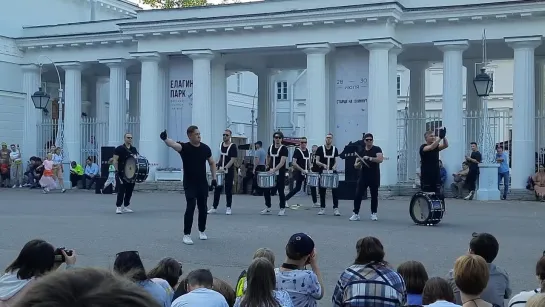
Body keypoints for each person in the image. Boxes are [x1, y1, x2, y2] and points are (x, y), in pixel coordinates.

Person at [161, 126, 216, 245]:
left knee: (203, 208)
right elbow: (173, 144)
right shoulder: (184, 147)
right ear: (189, 136)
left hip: (202, 183)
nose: (199, 136)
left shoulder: (205, 148)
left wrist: (214, 178)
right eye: (196, 134)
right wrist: (165, 139)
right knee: (191, 206)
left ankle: (202, 231)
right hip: (189, 183)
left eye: (199, 134)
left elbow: (212, 162)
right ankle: (186, 235)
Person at [351, 133, 384, 221]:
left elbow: (380, 159)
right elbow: (355, 165)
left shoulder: (377, 149)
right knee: (358, 195)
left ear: (372, 140)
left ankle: (373, 213)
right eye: (367, 140)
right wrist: (359, 163)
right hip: (363, 176)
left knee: (374, 195)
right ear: (364, 141)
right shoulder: (361, 151)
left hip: (374, 175)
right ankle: (355, 213)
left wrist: (369, 158)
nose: (369, 141)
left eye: (370, 140)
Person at [209, 129, 238, 215]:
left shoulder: (233, 146)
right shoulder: (221, 144)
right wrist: (217, 165)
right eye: (224, 135)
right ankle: (214, 207)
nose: (225, 136)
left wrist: (225, 168)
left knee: (228, 189)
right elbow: (220, 156)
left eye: (226, 135)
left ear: (230, 136)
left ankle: (228, 207)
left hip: (228, 170)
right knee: (217, 188)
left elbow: (233, 159)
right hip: (220, 169)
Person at [261, 131, 289, 216]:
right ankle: (268, 207)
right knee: (266, 190)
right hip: (270, 171)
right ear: (274, 138)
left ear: (281, 139)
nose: (277, 139)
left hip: (280, 172)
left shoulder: (284, 148)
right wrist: (267, 164)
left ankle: (282, 208)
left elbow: (282, 162)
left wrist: (275, 169)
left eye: (279, 137)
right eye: (276, 137)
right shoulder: (270, 147)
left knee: (280, 191)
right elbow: (268, 156)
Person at [314, 133, 340, 216]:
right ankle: (322, 208)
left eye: (330, 138)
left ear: (332, 139)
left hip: (332, 172)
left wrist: (335, 166)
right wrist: (323, 165)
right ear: (325, 139)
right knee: (322, 191)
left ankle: (336, 208)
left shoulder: (335, 149)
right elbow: (316, 161)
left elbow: (336, 161)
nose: (328, 139)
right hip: (323, 171)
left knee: (335, 190)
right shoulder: (320, 149)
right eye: (327, 138)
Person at [420, 129, 448, 203]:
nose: (433, 137)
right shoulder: (423, 147)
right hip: (427, 175)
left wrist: (443, 137)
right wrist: (440, 138)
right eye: (431, 136)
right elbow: (431, 147)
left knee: (438, 194)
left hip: (436, 174)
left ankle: (437, 212)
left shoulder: (436, 146)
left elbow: (446, 145)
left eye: (434, 136)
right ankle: (424, 212)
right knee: (426, 194)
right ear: (426, 138)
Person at [113, 133, 138, 214]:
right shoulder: (119, 149)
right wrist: (116, 170)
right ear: (124, 138)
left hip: (131, 173)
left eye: (131, 137)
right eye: (128, 137)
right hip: (122, 173)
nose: (130, 139)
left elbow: (136, 160)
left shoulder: (133, 149)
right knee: (121, 190)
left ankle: (126, 206)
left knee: (129, 190)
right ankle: (118, 207)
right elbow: (115, 160)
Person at [286, 137, 311, 210]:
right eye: (302, 142)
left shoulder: (307, 150)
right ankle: (285, 199)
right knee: (297, 188)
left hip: (306, 171)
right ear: (300, 143)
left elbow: (308, 160)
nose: (303, 144)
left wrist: (310, 168)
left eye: (305, 142)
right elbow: (294, 163)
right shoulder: (297, 151)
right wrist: (302, 170)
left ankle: (315, 202)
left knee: (312, 185)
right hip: (298, 172)